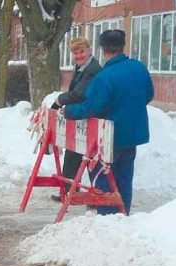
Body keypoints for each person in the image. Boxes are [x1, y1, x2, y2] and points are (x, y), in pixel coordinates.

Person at [64, 30, 153, 215]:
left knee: (103, 181)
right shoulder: (139, 68)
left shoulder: (105, 76)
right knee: (124, 179)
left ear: (103, 49)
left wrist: (69, 111)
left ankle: (107, 220)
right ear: (123, 46)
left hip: (109, 137)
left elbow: (91, 108)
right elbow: (148, 95)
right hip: (132, 135)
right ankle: (123, 214)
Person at [50, 37, 101, 202]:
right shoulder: (81, 67)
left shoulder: (92, 69)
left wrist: (60, 100)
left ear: (89, 50)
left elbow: (80, 93)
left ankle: (96, 194)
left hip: (89, 115)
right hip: (78, 115)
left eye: (81, 52)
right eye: (75, 53)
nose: (78, 56)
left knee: (90, 156)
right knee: (73, 151)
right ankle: (69, 190)